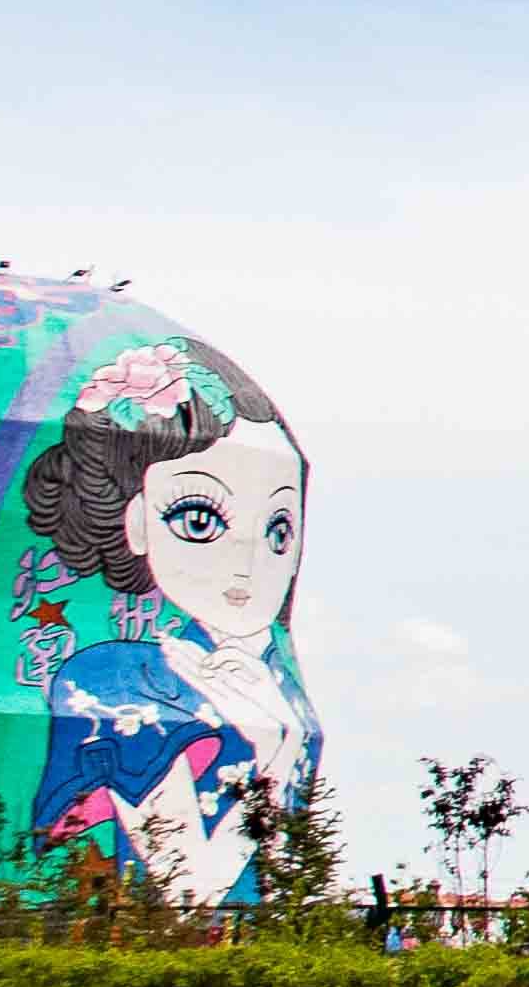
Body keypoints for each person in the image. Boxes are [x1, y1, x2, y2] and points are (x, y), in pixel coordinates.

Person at [18, 331, 319, 906]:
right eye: (201, 519)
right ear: (134, 521)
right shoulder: (117, 683)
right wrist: (272, 750)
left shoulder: (266, 679)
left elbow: (288, 885)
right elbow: (190, 896)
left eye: (278, 529)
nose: (248, 567)